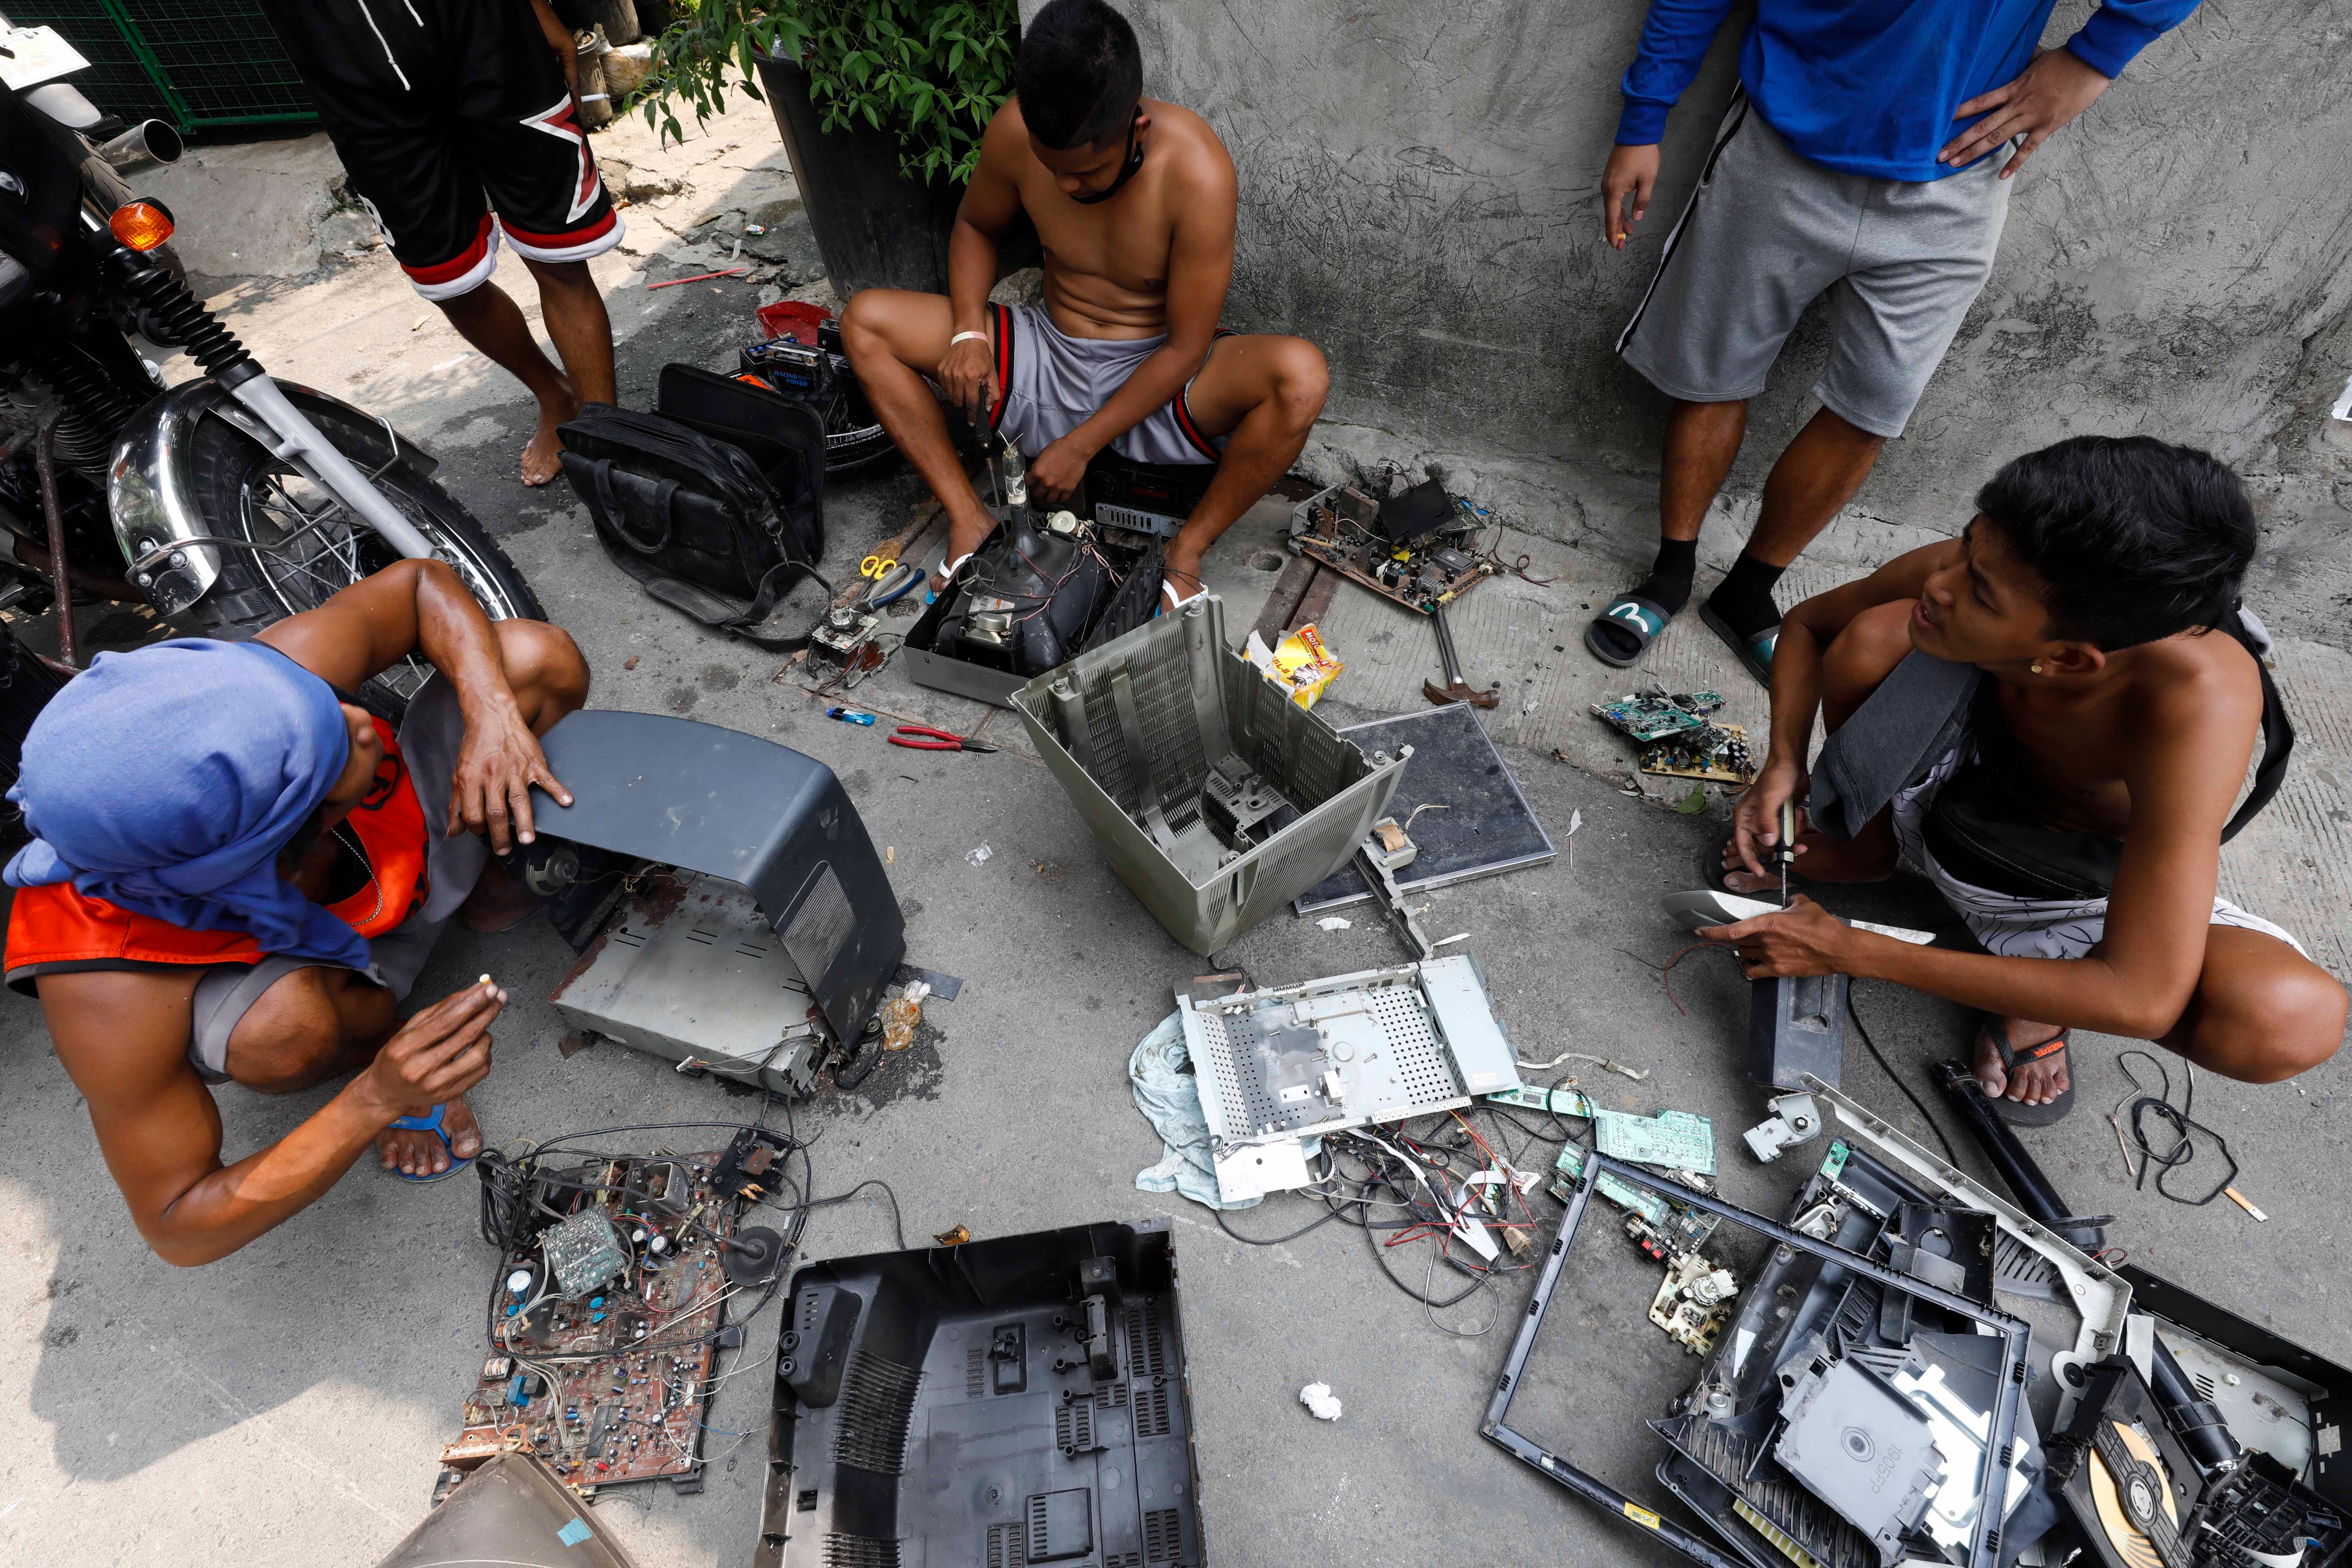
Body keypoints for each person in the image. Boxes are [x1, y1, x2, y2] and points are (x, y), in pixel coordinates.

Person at [1700, 437, 2345, 1124]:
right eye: (1969, 547)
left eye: (1979, 588)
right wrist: (1785, 764)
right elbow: (1808, 625)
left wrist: (1855, 950)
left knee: (2289, 1018)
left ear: (2068, 660)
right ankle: (1867, 848)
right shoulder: (2002, 567)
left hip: (2071, 899)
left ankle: (2040, 996)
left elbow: (2145, 996)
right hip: (1944, 799)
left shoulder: (2201, 700)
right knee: (1872, 635)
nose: (1942, 581)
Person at [1583, 0, 2203, 683]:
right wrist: (1644, 119)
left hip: (1957, 175)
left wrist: (2096, 58)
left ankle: (1748, 592)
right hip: (1782, 141)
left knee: (1870, 408)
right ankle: (1669, 574)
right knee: (1713, 375)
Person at [2, 563, 589, 1263]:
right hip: (310, 968)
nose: (356, 720)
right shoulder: (99, 976)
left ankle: (489, 883)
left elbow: (418, 586)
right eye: (327, 756)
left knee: (532, 659)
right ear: (264, 856)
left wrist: (491, 714)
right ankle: (377, 1046)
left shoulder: (260, 695)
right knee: (279, 1032)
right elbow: (177, 1221)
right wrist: (374, 1096)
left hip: (397, 848)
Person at [842, 0, 1330, 611]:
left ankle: (1187, 552)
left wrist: (1080, 446)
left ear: (1137, 128)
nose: (1069, 188)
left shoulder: (1198, 170)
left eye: (1089, 172)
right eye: (1055, 171)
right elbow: (975, 225)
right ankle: (969, 521)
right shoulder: (1015, 131)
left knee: (1301, 377)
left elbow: (1186, 346)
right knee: (866, 321)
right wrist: (969, 334)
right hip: (1046, 353)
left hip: (1158, 375)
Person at [259, 0, 623, 486]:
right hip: (346, 61)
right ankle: (555, 397)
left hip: (485, 28)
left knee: (559, 255)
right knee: (448, 280)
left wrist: (538, 9)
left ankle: (614, 444)